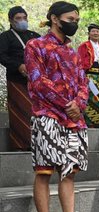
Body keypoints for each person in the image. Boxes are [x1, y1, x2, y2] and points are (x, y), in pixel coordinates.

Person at [25, 1, 95, 212]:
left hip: (74, 120)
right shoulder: (36, 45)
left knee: (70, 173)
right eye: (70, 19)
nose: (74, 24)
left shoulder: (73, 53)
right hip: (47, 115)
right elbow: (37, 81)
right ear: (55, 19)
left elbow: (84, 84)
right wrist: (69, 104)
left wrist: (80, 104)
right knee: (44, 172)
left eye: (76, 20)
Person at [0, 6, 40, 150]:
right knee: (20, 112)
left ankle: (39, 144)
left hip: (36, 82)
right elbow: (2, 56)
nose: (22, 21)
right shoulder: (5, 37)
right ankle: (20, 146)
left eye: (24, 18)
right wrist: (18, 66)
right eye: (18, 18)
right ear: (11, 20)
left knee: (37, 112)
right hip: (17, 80)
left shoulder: (35, 36)